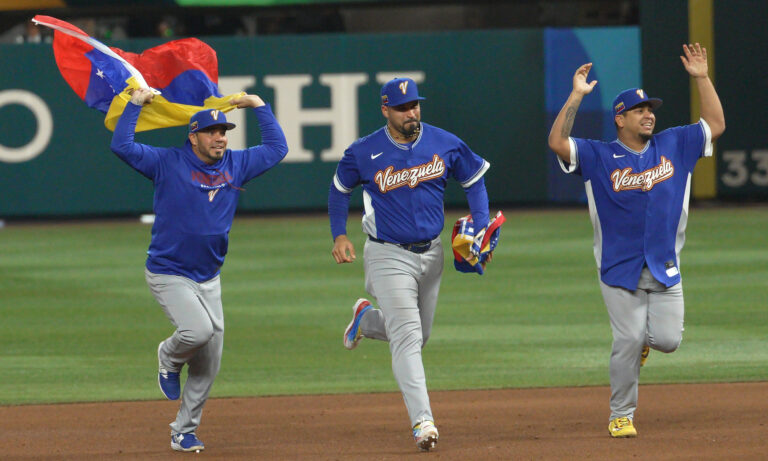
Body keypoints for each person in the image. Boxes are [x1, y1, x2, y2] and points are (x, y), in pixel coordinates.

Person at [547, 43, 725, 438]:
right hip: (618, 267)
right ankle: (621, 414)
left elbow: (715, 124)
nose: (649, 115)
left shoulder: (675, 144)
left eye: (651, 110)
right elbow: (558, 142)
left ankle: (644, 343)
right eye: (640, 110)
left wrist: (702, 78)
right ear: (620, 119)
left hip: (664, 264)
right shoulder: (597, 155)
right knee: (626, 339)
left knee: (667, 341)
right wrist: (576, 95)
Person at [110, 88, 288, 452]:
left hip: (209, 277)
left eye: (224, 131)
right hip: (168, 271)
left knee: (209, 364)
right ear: (193, 136)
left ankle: (183, 431)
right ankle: (168, 356)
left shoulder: (236, 164)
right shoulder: (167, 162)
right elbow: (123, 146)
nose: (220, 137)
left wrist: (259, 106)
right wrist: (134, 104)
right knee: (198, 330)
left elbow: (276, 149)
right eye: (212, 131)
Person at [328, 77, 491, 451]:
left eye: (415, 105)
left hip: (432, 254)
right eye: (403, 108)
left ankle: (366, 319)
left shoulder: (444, 142)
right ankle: (423, 422)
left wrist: (480, 223)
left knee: (421, 335)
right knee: (408, 338)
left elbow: (474, 180)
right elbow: (339, 189)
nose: (411, 112)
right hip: (387, 253)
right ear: (386, 110)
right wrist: (339, 234)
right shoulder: (364, 151)